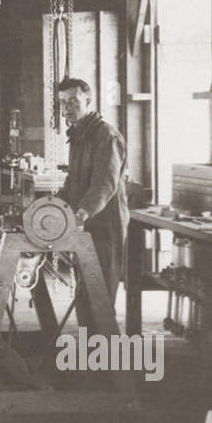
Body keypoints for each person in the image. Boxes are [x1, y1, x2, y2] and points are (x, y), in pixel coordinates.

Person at [56, 77, 129, 326]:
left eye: (74, 101)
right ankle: (91, 357)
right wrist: (53, 206)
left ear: (88, 100)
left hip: (104, 226)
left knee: (101, 295)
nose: (67, 107)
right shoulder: (79, 135)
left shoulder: (106, 136)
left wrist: (81, 214)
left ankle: (108, 361)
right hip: (85, 225)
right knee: (84, 294)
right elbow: (74, 181)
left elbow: (104, 184)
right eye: (63, 102)